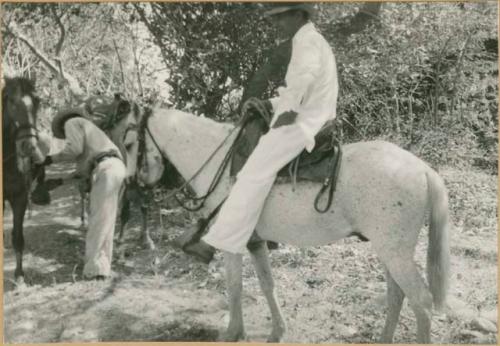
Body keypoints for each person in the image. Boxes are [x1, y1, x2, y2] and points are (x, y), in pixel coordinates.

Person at [183, 2, 339, 263]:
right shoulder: (310, 40)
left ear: (299, 15)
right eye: (275, 18)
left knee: (251, 173)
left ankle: (216, 242)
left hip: (305, 123)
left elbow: (304, 80)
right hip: (310, 114)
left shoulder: (307, 41)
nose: (277, 24)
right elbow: (302, 90)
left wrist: (286, 112)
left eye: (281, 17)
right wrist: (269, 104)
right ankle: (263, 229)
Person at [43, 106, 126, 280]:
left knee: (98, 219)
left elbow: (74, 150)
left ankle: (93, 269)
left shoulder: (72, 122)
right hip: (113, 167)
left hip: (106, 168)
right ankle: (100, 268)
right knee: (105, 219)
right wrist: (59, 181)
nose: (66, 136)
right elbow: (82, 173)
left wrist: (47, 160)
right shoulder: (92, 137)